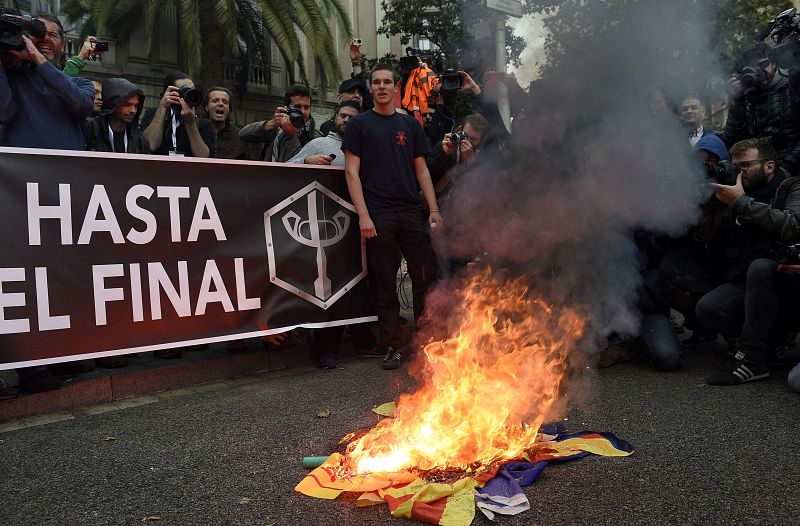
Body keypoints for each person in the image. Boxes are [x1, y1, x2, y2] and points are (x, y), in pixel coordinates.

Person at [343, 63, 442, 370]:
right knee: (384, 284)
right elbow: (351, 171)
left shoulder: (411, 125)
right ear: (370, 89)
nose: (383, 87)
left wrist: (434, 210)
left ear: (395, 88)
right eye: (377, 82)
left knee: (424, 278)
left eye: (388, 82)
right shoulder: (359, 125)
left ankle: (426, 344)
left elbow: (422, 169)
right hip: (378, 214)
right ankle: (393, 345)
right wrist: (363, 215)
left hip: (411, 212)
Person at [696, 138, 800, 385]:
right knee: (709, 308)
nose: (739, 172)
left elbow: (791, 225)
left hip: (786, 281)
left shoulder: (792, 186)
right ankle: (770, 343)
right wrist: (712, 207)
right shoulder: (734, 192)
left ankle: (751, 359)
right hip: (749, 284)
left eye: (746, 165)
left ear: (769, 166)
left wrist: (741, 202)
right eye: (735, 166)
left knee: (761, 267)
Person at [0, 13, 94, 150]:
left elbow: (81, 105)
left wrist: (37, 58)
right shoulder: (13, 76)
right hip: (19, 168)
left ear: (62, 45)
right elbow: (3, 113)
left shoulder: (81, 83)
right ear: (27, 38)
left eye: (52, 34)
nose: (45, 38)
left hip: (65, 169)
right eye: (38, 32)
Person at [718, 42, 800, 176]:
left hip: (793, 168)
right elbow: (732, 142)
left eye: (763, 65)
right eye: (750, 69)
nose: (759, 71)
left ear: (773, 63)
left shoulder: (793, 81)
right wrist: (736, 102)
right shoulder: (745, 95)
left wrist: (787, 167)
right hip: (759, 171)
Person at [140, 71, 215, 157]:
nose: (189, 94)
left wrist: (190, 123)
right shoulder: (153, 115)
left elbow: (203, 157)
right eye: (185, 90)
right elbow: (149, 146)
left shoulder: (203, 124)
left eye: (192, 90)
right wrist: (163, 107)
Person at [238, 85, 320, 162]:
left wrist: (291, 135)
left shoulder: (316, 138)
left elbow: (297, 163)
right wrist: (271, 123)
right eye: (297, 107)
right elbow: (243, 135)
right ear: (287, 109)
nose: (303, 111)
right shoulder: (277, 130)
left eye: (306, 107)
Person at [426, 113, 488, 197]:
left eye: (473, 139)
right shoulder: (445, 145)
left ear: (482, 140)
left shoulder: (485, 159)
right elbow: (427, 175)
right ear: (460, 130)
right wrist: (444, 154)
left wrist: (471, 162)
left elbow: (482, 192)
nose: (467, 141)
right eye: (465, 135)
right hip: (437, 202)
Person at [288, 100, 361, 166]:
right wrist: (306, 160)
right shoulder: (317, 144)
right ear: (335, 118)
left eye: (352, 118)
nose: (346, 120)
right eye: (343, 116)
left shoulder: (364, 148)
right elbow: (288, 166)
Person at [84, 77, 146, 154]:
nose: (133, 111)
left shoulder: (138, 138)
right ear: (113, 104)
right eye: (127, 105)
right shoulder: (90, 129)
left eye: (136, 106)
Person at [203, 86, 249, 159]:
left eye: (225, 102)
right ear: (206, 107)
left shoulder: (239, 136)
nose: (221, 104)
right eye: (215, 101)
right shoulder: (197, 131)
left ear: (229, 109)